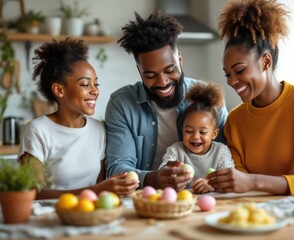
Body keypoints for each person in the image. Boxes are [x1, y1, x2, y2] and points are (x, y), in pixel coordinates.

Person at [207, 0, 294, 196]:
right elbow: (241, 185)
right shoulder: (235, 120)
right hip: (255, 217)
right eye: (228, 74)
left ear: (265, 62)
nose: (232, 81)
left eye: (239, 70)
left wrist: (254, 181)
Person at [105, 11, 228, 190]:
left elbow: (227, 156)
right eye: (151, 75)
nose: (163, 82)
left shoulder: (209, 98)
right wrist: (154, 179)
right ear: (139, 71)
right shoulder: (121, 104)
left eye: (170, 70)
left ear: (179, 58)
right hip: (145, 198)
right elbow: (117, 169)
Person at [18, 38, 139, 200]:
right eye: (85, 85)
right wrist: (95, 190)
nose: (95, 91)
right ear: (59, 90)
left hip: (89, 214)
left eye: (96, 85)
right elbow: (33, 193)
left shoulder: (99, 129)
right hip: (50, 217)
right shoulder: (37, 130)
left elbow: (101, 184)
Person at [159, 82, 235, 194]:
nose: (195, 136)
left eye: (203, 132)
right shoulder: (175, 151)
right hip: (184, 203)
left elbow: (230, 179)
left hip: (215, 203)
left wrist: (212, 185)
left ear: (214, 134)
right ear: (182, 130)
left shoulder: (221, 151)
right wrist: (172, 181)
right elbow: (163, 174)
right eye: (188, 131)